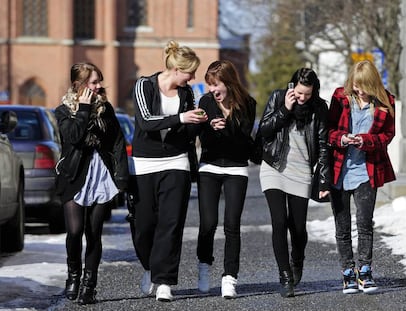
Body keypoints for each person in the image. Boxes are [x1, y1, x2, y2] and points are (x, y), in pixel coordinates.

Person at [128, 40, 207, 302]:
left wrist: (199, 123)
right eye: (190, 73)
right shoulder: (145, 85)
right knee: (144, 225)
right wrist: (181, 118)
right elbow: (146, 121)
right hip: (145, 162)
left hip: (177, 161)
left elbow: (186, 131)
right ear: (176, 69)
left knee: (171, 223)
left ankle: (164, 281)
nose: (193, 78)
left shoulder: (187, 94)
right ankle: (151, 267)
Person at [55, 62, 129, 305]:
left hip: (101, 176)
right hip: (74, 176)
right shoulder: (64, 111)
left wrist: (121, 178)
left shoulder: (106, 109)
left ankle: (89, 285)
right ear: (79, 84)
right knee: (75, 232)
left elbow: (118, 142)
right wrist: (85, 108)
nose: (99, 86)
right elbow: (74, 137)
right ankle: (73, 277)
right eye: (93, 82)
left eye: (99, 81)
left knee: (93, 232)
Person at [257, 68, 330, 297]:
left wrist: (324, 179)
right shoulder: (279, 98)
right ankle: (285, 275)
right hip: (274, 167)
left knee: (297, 227)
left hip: (301, 172)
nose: (302, 98)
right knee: (279, 222)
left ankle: (297, 260)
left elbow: (323, 144)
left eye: (307, 94)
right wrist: (285, 109)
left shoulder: (319, 107)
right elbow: (264, 131)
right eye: (299, 93)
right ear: (292, 87)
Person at [327, 60, 396, 294]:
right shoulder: (340, 98)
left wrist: (365, 141)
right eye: (355, 86)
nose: (358, 90)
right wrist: (342, 138)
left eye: (363, 86)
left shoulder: (385, 102)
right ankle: (348, 273)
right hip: (339, 170)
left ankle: (365, 271)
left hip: (367, 171)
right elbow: (327, 131)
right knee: (342, 226)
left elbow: (388, 135)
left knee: (365, 223)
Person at [195, 60, 256, 298]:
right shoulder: (205, 102)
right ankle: (204, 266)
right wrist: (210, 128)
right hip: (209, 166)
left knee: (232, 225)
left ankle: (230, 277)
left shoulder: (247, 104)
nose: (212, 90)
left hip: (236, 168)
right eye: (209, 85)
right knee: (208, 223)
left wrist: (227, 127)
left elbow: (244, 141)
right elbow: (201, 138)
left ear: (228, 82)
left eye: (216, 85)